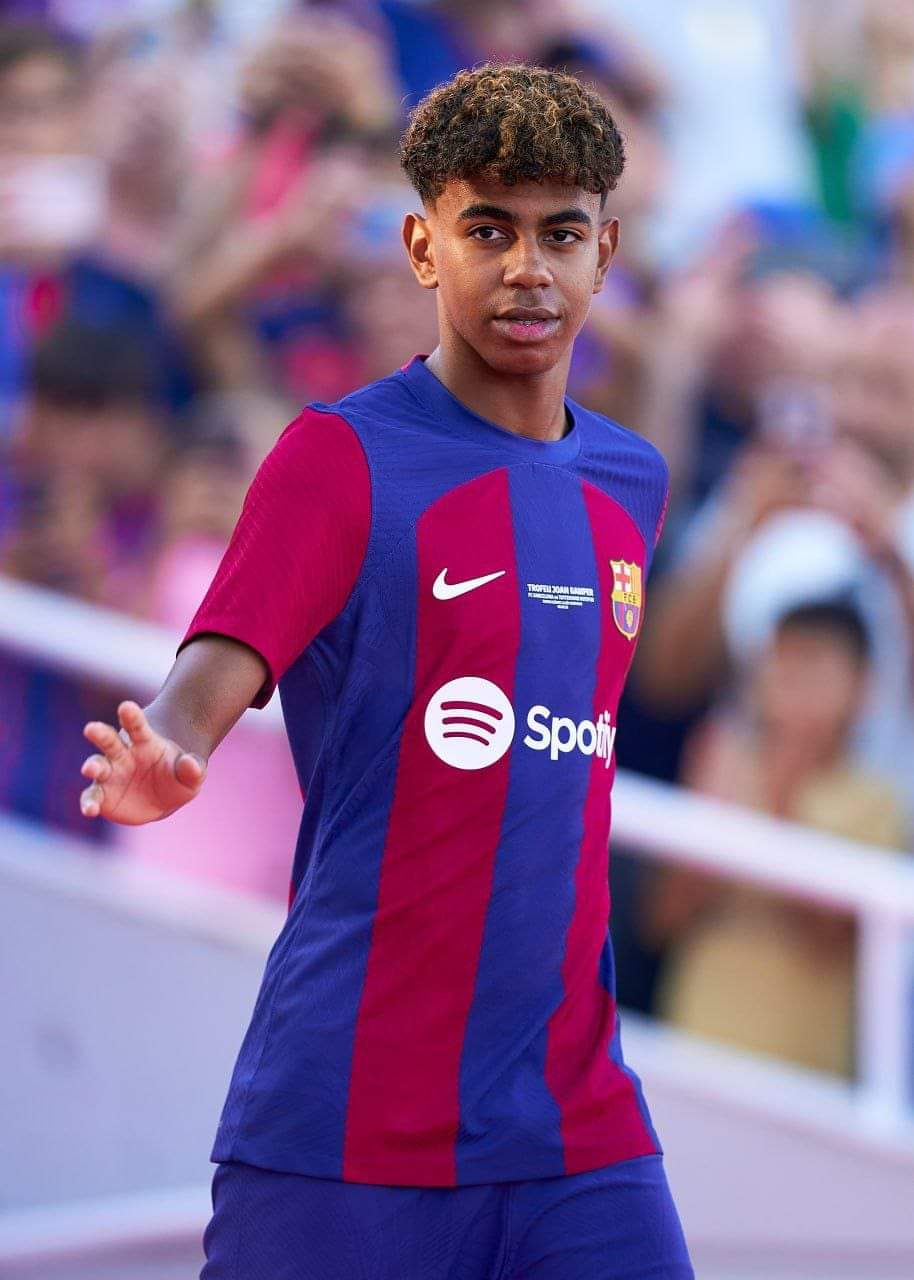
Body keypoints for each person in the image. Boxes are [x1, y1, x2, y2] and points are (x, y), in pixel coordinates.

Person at [78, 64, 693, 1279]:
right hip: (345, 1120)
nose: (527, 267)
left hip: (574, 1125)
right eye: (487, 231)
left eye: (560, 234)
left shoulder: (633, 483)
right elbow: (208, 674)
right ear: (421, 247)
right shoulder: (338, 457)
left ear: (604, 254)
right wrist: (170, 745)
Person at [649, 599, 905, 1076]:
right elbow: (662, 919)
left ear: (862, 688)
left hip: (805, 1076)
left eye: (814, 668)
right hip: (692, 1045)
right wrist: (712, 813)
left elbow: (831, 940)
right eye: (782, 663)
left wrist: (783, 785)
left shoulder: (877, 802)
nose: (792, 685)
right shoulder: (724, 762)